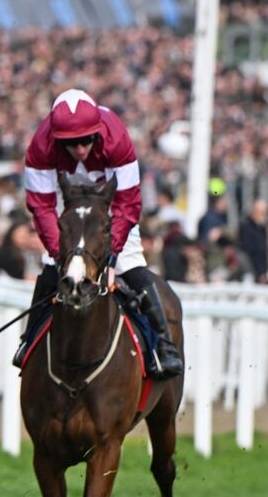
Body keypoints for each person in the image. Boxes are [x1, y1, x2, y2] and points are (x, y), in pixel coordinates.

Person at [14, 88, 183, 377]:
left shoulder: (117, 138)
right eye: (72, 143)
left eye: (87, 140)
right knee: (50, 269)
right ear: (57, 139)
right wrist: (59, 254)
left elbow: (128, 202)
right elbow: (42, 208)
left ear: (97, 133)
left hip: (110, 204)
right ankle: (28, 341)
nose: (80, 149)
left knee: (132, 263)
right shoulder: (41, 147)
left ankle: (164, 345)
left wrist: (113, 254)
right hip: (66, 203)